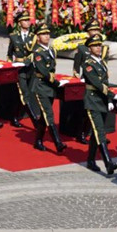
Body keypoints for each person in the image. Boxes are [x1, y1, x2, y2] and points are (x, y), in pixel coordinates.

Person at [82, 34, 117, 175]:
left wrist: (108, 100)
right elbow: (97, 83)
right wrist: (111, 95)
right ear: (89, 48)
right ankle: (108, 162)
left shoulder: (101, 62)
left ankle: (90, 160)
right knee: (99, 131)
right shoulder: (88, 63)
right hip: (92, 101)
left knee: (96, 131)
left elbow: (105, 82)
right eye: (95, 45)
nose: (98, 47)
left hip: (101, 100)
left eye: (99, 45)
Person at [30, 23, 66, 153]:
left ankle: (38, 141)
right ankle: (58, 143)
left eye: (47, 34)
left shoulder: (51, 50)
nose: (47, 36)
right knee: (49, 114)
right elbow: (43, 71)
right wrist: (55, 81)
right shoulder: (37, 52)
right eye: (43, 34)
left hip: (50, 87)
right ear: (38, 37)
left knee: (44, 116)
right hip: (41, 86)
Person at [73, 20, 108, 144]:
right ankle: (82, 133)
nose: (95, 32)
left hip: (100, 81)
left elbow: (104, 65)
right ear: (88, 32)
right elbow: (76, 66)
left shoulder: (103, 48)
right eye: (93, 30)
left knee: (101, 109)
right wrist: (77, 78)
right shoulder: (82, 48)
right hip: (87, 81)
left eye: (97, 30)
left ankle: (98, 133)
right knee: (87, 111)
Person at [6, 11, 38, 127]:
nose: (28, 22)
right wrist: (10, 66)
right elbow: (9, 54)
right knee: (24, 93)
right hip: (19, 68)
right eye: (25, 20)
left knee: (28, 93)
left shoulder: (34, 37)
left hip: (30, 68)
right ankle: (34, 121)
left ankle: (16, 116)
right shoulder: (14, 36)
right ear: (19, 23)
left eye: (28, 20)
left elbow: (36, 52)